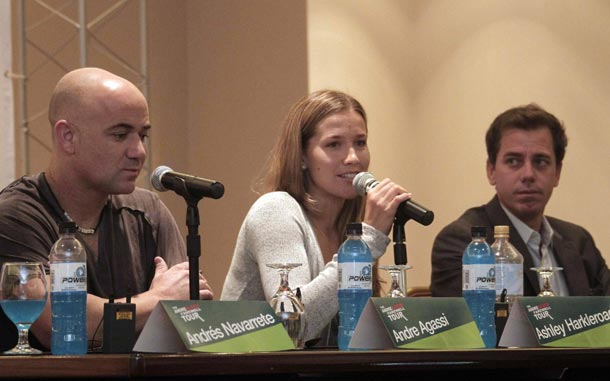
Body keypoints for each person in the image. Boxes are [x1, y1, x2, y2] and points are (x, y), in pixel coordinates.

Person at [0, 67, 213, 352]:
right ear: (68, 137)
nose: (139, 151)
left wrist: (153, 305)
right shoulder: (16, 214)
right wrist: (155, 300)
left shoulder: (148, 210)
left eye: (142, 135)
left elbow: (188, 315)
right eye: (120, 134)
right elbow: (59, 325)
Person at [220, 90, 412, 346]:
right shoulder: (275, 210)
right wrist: (366, 243)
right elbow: (293, 325)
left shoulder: (351, 221)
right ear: (301, 157)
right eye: (334, 144)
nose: (353, 158)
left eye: (360, 142)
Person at [431, 103, 610, 297]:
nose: (528, 174)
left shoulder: (578, 241)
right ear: (491, 171)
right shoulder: (466, 243)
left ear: (557, 172)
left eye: (540, 161)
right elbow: (471, 325)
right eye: (513, 161)